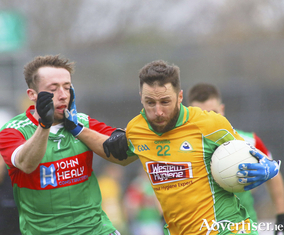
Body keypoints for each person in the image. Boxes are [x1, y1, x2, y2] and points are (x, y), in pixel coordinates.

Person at [102, 60, 281, 235]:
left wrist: (269, 168)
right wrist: (80, 130)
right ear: (141, 97)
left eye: (165, 102)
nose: (158, 111)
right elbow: (118, 156)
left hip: (228, 227)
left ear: (180, 97)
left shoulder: (218, 127)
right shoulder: (136, 130)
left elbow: (260, 161)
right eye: (150, 102)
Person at [0, 55, 135, 235]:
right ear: (32, 95)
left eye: (67, 88)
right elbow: (27, 164)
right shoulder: (12, 131)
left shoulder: (83, 122)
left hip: (97, 230)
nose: (63, 95)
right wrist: (44, 126)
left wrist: (78, 130)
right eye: (53, 89)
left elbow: (125, 157)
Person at [186, 83, 284, 230]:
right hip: (200, 228)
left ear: (222, 110)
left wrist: (281, 216)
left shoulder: (248, 141)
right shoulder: (183, 147)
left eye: (213, 113)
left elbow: (273, 175)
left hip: (243, 226)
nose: (208, 120)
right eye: (202, 115)